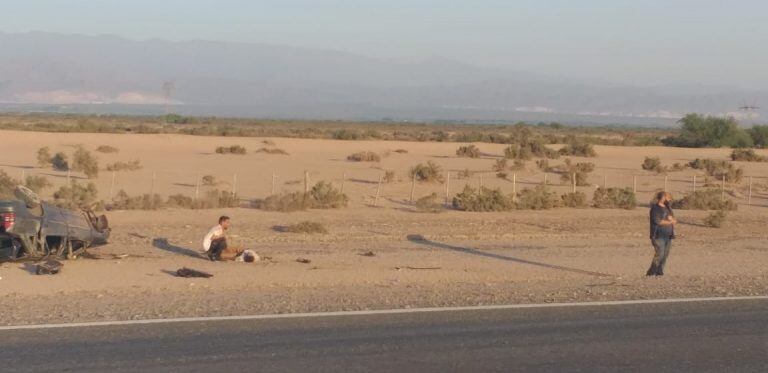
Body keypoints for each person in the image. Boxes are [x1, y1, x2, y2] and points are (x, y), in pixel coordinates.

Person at [647, 191, 676, 276]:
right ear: (663, 198)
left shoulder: (668, 208)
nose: (669, 200)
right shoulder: (655, 209)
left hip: (668, 235)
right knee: (660, 254)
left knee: (665, 255)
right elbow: (658, 221)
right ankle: (651, 271)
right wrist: (670, 222)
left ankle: (659, 271)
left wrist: (672, 220)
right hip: (658, 235)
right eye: (668, 198)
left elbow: (670, 217)